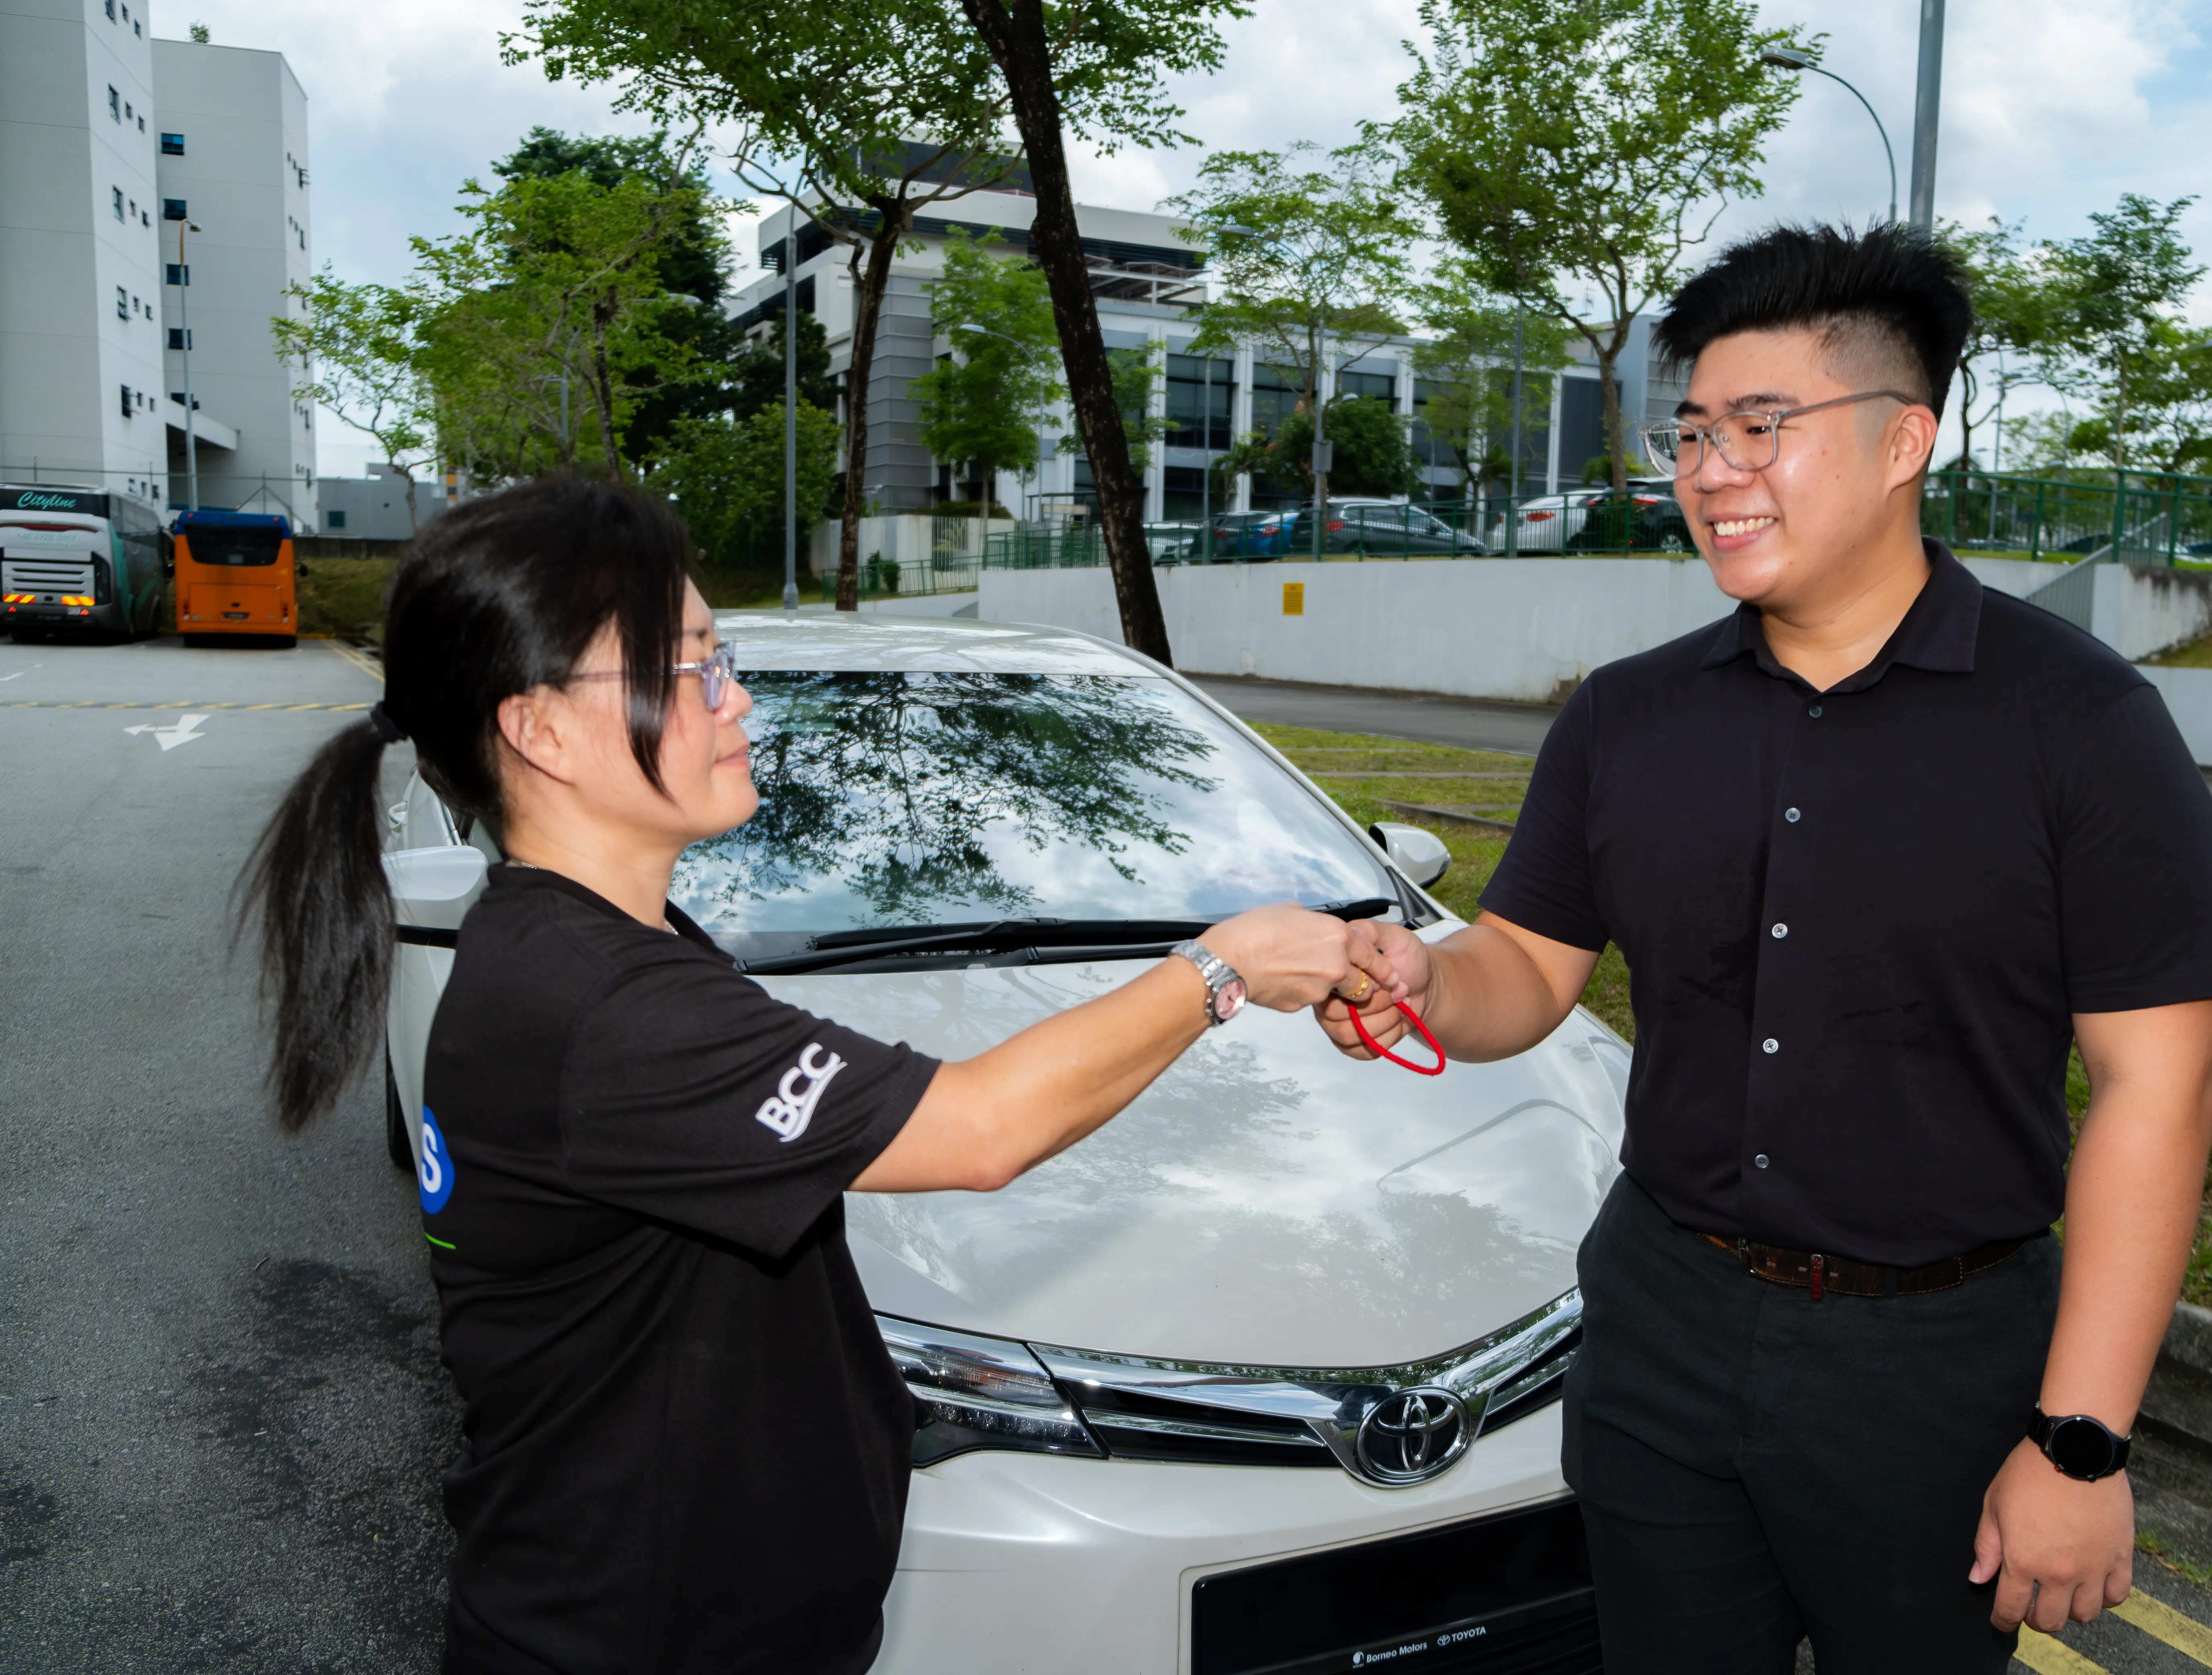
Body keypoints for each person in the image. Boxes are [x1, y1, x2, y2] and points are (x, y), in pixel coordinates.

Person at [244, 478, 1389, 1675]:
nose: (737, 699)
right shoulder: (597, 1006)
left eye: (722, 659)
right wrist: (1222, 965)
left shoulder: (596, 948)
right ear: (541, 731)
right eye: (692, 668)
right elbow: (980, 1128)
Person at [1321, 224, 2212, 1672]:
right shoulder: (1624, 716)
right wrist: (1428, 978)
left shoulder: (2082, 724)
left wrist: (2078, 1442)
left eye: (1762, 426)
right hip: (1660, 1325)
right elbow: (1527, 970)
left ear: (1904, 443)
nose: (1711, 472)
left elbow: (2162, 1086)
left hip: (1932, 1364)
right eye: (1692, 432)